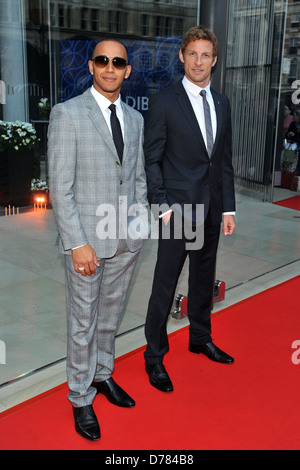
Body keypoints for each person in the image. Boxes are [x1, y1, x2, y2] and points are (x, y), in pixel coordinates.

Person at [48, 39, 148, 440]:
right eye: (103, 60)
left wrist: (140, 226)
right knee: (83, 322)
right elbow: (60, 187)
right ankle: (79, 395)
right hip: (87, 242)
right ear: (91, 66)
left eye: (118, 62)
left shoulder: (134, 119)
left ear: (127, 70)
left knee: (110, 315)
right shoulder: (68, 114)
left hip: (126, 238)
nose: (110, 67)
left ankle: (102, 375)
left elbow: (138, 178)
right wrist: (77, 242)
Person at [143, 25, 236, 393]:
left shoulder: (223, 102)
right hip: (177, 213)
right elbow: (151, 160)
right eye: (192, 54)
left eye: (206, 55)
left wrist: (228, 209)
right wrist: (161, 206)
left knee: (203, 277)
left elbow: (222, 161)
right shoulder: (165, 101)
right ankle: (154, 357)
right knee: (164, 286)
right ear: (182, 56)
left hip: (212, 210)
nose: (199, 61)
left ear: (215, 60)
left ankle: (200, 336)